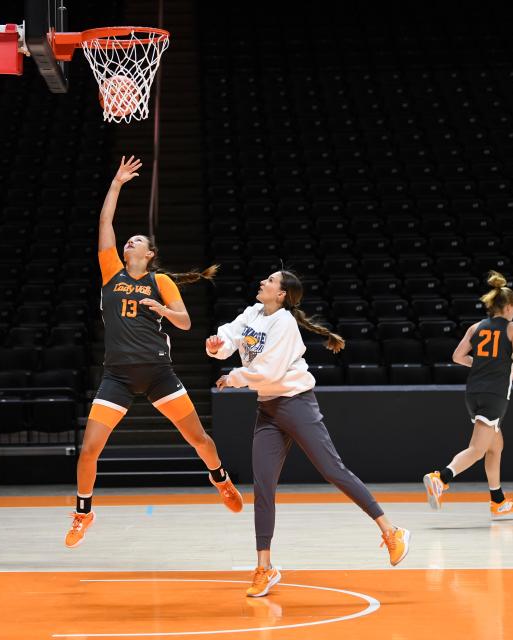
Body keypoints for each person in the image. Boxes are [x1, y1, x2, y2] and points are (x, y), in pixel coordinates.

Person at [66, 156, 243, 548]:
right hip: (117, 375)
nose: (130, 241)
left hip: (159, 372)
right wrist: (115, 183)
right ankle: (83, 512)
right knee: (89, 449)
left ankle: (220, 478)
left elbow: (184, 323)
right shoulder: (111, 271)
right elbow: (104, 225)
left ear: (148, 254)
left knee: (198, 439)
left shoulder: (159, 281)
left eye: (138, 241)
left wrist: (162, 309)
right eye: (129, 240)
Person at [207, 270, 410, 597]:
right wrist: (216, 346)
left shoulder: (284, 323)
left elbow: (269, 371)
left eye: (270, 281)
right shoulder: (252, 313)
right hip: (268, 409)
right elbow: (229, 337)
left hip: (296, 403)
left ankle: (392, 531)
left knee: (332, 470)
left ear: (282, 294)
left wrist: (234, 378)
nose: (263, 282)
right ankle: (265, 567)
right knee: (263, 486)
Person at [423, 271, 513, 518]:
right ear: (511, 306)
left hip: (474, 394)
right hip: (495, 395)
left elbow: (457, 356)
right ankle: (441, 478)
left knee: (495, 445)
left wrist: (483, 364)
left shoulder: (475, 327)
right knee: (477, 449)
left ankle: (497, 500)